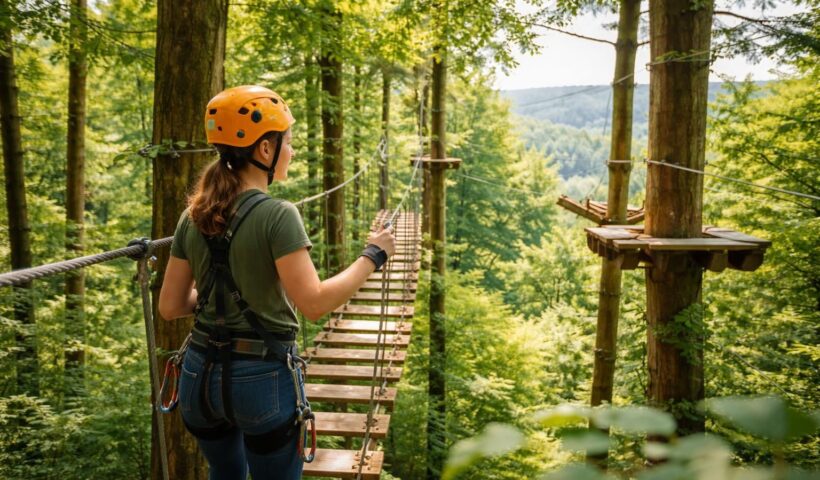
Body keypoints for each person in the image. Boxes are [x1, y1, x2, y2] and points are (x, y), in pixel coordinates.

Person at [158, 85, 396, 480]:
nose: (293, 151)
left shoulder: (192, 214)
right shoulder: (278, 215)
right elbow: (314, 303)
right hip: (261, 378)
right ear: (264, 150)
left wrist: (219, 297)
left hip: (198, 377)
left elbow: (170, 307)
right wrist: (373, 255)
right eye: (288, 142)